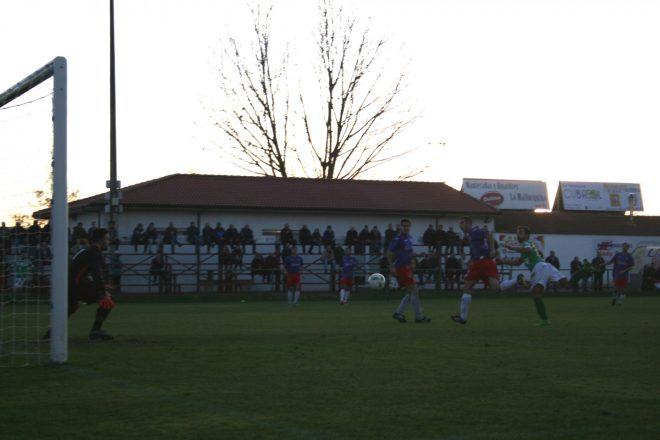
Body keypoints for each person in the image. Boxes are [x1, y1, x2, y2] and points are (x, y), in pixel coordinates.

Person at [500, 226, 572, 326]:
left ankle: (545, 321)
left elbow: (528, 250)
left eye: (520, 233)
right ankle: (582, 273)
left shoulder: (527, 243)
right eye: (517, 233)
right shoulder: (525, 246)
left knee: (535, 295)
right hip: (546, 266)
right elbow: (518, 262)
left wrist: (512, 248)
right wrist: (502, 261)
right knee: (567, 285)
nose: (518, 235)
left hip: (539, 267)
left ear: (527, 235)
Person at [64, 228, 115, 340]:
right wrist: (102, 292)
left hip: (69, 283)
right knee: (108, 300)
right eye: (107, 239)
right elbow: (97, 274)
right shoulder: (94, 253)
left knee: (70, 308)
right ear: (100, 240)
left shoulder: (87, 251)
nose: (108, 242)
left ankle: (51, 333)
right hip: (77, 285)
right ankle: (95, 331)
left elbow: (79, 271)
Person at [449, 217, 500, 324]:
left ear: (468, 223)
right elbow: (479, 247)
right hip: (483, 261)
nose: (460, 226)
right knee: (496, 287)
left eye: (462, 223)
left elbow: (489, 234)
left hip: (481, 263)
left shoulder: (475, 231)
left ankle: (463, 317)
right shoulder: (471, 235)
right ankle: (516, 281)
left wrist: (492, 249)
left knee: (466, 288)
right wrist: (470, 260)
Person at [388, 218, 431, 323]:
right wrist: (391, 266)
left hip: (406, 267)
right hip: (401, 267)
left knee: (410, 292)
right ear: (400, 226)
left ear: (410, 227)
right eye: (404, 226)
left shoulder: (408, 238)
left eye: (408, 226)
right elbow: (389, 252)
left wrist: (419, 255)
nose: (406, 228)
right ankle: (419, 317)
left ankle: (398, 313)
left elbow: (409, 252)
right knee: (414, 291)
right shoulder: (398, 238)